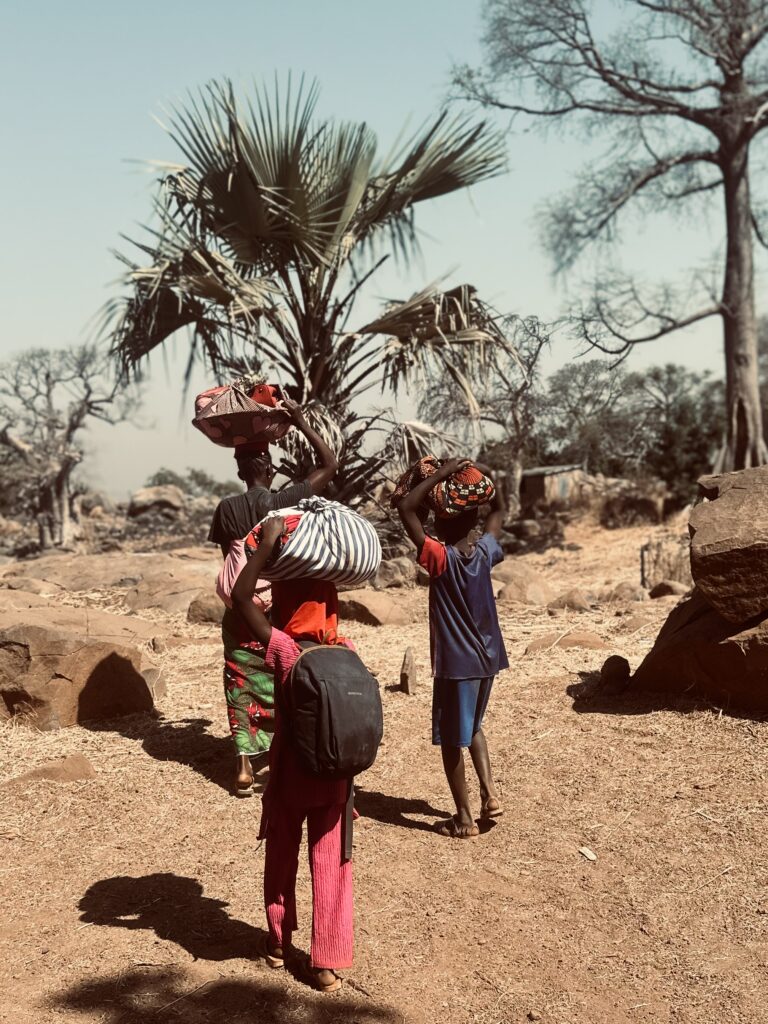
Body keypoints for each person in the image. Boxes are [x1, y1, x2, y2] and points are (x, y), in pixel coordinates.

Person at [232, 516, 353, 993]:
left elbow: (243, 598)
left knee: (282, 855)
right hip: (337, 782)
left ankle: (279, 942)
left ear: (284, 604)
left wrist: (264, 549)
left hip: (289, 775)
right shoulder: (345, 649)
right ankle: (325, 964)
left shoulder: (285, 648)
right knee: (333, 864)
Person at [209, 399, 338, 796]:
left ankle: (244, 766)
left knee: (239, 679)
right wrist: (301, 421)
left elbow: (228, 557)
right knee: (280, 676)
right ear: (268, 469)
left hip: (237, 603)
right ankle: (283, 755)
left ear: (239, 472)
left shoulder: (225, 508)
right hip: (273, 606)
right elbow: (331, 465)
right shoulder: (285, 502)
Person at [397, 458, 508, 838]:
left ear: (438, 522)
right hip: (488, 658)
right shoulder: (486, 551)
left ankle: (463, 818)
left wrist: (442, 475)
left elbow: (405, 508)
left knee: (450, 738)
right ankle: (490, 793)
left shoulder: (439, 558)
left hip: (456, 664)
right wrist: (480, 474)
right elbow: (499, 509)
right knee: (473, 726)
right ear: (473, 520)